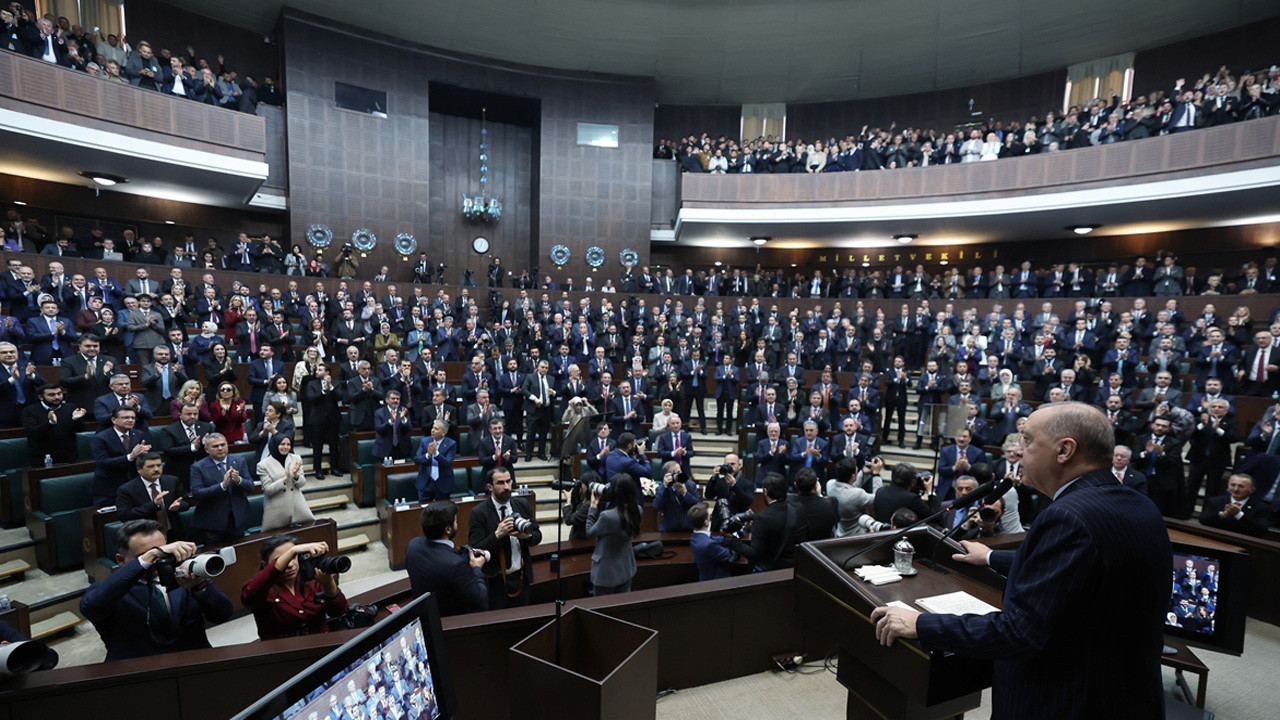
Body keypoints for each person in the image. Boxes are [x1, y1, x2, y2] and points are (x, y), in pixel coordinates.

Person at [872, 402, 1171, 720]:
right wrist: (989, 556)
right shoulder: (1139, 504)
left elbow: (1020, 633)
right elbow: (1084, 568)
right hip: (1126, 699)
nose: (1018, 450)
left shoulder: (1067, 517)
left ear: (1064, 450)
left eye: (1027, 440)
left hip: (1067, 703)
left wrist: (920, 623)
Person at [80, 520, 234, 661]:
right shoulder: (111, 589)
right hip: (141, 673)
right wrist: (150, 556)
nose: (158, 561)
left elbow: (223, 614)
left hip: (193, 663)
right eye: (146, 555)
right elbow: (90, 607)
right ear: (121, 560)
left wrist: (199, 587)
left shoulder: (185, 575)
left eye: (163, 552)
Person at [241, 537, 349, 641]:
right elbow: (248, 596)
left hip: (323, 644)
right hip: (284, 652)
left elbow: (339, 612)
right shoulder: (260, 588)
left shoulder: (311, 579)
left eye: (294, 557)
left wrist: (329, 585)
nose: (290, 564)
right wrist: (292, 551)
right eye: (283, 559)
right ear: (266, 565)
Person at [468, 467, 541, 608]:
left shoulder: (522, 505)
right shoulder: (478, 513)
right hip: (496, 581)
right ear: (490, 486)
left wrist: (527, 536)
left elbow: (538, 536)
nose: (507, 487)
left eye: (508, 481)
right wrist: (497, 535)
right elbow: (475, 548)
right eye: (500, 483)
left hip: (521, 576)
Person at [405, 501, 488, 615]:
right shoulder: (455, 564)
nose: (457, 523)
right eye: (455, 521)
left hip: (424, 613)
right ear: (448, 529)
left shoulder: (413, 545)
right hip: (451, 622)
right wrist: (477, 568)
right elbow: (481, 601)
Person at [189, 433, 255, 545]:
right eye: (215, 446)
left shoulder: (239, 461)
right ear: (206, 449)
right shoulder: (198, 467)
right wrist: (222, 486)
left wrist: (239, 480)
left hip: (236, 520)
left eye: (222, 445)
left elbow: (251, 487)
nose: (220, 448)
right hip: (212, 523)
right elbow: (197, 493)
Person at [586, 474, 642, 595]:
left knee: (602, 608)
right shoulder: (637, 510)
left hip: (605, 573)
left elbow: (590, 532)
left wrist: (593, 507)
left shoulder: (608, 517)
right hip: (626, 568)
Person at [115, 452, 189, 538]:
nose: (156, 469)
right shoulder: (126, 489)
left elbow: (186, 502)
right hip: (145, 536)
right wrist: (153, 504)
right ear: (139, 469)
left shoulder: (172, 481)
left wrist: (178, 506)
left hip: (174, 533)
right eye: (150, 467)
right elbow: (125, 516)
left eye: (159, 465)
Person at [90, 405, 152, 507]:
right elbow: (102, 462)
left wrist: (144, 454)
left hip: (134, 485)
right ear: (114, 420)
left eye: (133, 418)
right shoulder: (100, 438)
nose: (130, 420)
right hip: (109, 488)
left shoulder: (138, 434)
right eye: (126, 418)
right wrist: (130, 456)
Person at [258, 435, 313, 532]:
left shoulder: (296, 458)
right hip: (276, 509)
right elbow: (268, 490)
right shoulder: (263, 465)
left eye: (288, 444)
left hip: (297, 506)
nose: (286, 447)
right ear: (275, 445)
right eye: (282, 444)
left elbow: (302, 484)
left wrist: (296, 475)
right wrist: (285, 478)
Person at [21, 383, 85, 465]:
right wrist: (50, 423)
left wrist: (76, 419)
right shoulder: (30, 411)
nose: (57, 397)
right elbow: (33, 433)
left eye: (59, 394)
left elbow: (81, 429)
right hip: (42, 457)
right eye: (52, 395)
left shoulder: (70, 408)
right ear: (41, 397)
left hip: (68, 456)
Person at [1200, 473, 1274, 537]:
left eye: (1241, 486)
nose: (1236, 489)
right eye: (1233, 485)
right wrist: (1223, 515)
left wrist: (1239, 515)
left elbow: (1261, 530)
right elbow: (1204, 521)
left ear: (1252, 490)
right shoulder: (1215, 501)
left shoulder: (1262, 508)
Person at [688, 502, 742, 581]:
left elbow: (717, 539)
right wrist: (735, 534)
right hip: (717, 582)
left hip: (705, 578)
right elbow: (733, 557)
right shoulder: (708, 545)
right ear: (706, 522)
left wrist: (728, 533)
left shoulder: (695, 537)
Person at [872, 462, 940, 523]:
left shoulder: (880, 491)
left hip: (881, 533)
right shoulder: (912, 499)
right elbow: (934, 517)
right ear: (913, 482)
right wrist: (930, 492)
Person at [653, 460, 702, 531]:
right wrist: (665, 487)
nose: (678, 475)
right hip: (668, 530)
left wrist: (685, 493)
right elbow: (657, 507)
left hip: (688, 529)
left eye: (679, 472)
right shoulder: (661, 489)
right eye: (675, 473)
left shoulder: (690, 486)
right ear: (667, 475)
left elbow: (699, 506)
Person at [415, 420, 457, 502]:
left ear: (443, 433)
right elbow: (417, 459)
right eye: (432, 428)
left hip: (443, 484)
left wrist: (436, 454)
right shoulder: (424, 441)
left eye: (436, 429)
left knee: (442, 511)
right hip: (426, 483)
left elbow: (448, 463)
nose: (432, 430)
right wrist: (428, 455)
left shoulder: (451, 444)